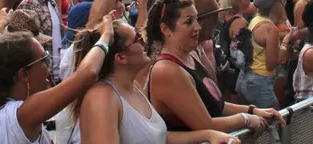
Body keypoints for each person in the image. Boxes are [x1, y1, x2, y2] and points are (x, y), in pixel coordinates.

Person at [69, 22, 234, 144]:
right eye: (138, 39)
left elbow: (158, 137)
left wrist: (208, 135)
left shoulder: (133, 87)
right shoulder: (101, 97)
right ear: (121, 58)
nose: (144, 43)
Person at [0, 14, 117, 144]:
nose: (49, 66)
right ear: (24, 75)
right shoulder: (22, 115)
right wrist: (106, 37)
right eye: (45, 59)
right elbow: (87, 74)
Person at [146, 0, 283, 133]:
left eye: (196, 19)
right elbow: (206, 125)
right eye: (188, 21)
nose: (198, 27)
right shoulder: (166, 70)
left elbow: (218, 105)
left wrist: (254, 110)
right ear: (166, 30)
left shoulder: (191, 55)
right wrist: (245, 119)